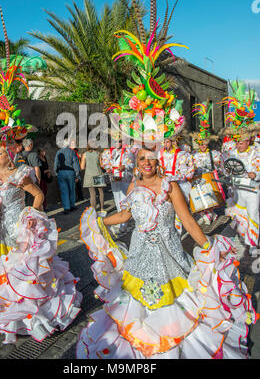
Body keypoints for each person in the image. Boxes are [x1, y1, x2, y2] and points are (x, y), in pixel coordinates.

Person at [0, 10, 82, 343]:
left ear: (10, 153)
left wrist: (32, 218)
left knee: (24, 274)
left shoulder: (20, 173)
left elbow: (39, 194)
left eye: (1, 151)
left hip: (18, 227)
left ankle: (30, 316)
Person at [78, 147, 257, 359]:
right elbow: (125, 216)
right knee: (136, 302)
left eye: (151, 159)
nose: (147, 163)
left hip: (169, 255)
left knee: (175, 303)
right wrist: (99, 221)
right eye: (142, 159)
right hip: (139, 255)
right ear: (136, 162)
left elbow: (188, 220)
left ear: (157, 161)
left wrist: (208, 246)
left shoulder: (169, 186)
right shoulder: (133, 186)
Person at [219, 81, 260, 250]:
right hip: (237, 189)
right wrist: (226, 170)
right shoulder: (232, 152)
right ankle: (242, 236)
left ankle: (252, 243)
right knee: (238, 214)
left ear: (248, 140)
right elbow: (224, 168)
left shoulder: (256, 152)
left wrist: (254, 174)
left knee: (253, 214)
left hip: (252, 190)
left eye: (241, 141)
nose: (239, 144)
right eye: (237, 141)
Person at [158, 137, 195, 234]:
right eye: (163, 142)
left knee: (179, 212)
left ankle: (178, 234)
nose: (164, 145)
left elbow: (188, 174)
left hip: (180, 186)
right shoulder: (160, 154)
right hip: (164, 185)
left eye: (167, 142)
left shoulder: (183, 155)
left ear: (173, 142)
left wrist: (171, 178)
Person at [104, 135, 135, 235]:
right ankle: (121, 221)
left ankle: (123, 223)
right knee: (117, 201)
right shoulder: (109, 152)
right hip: (114, 179)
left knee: (124, 200)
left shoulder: (127, 152)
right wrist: (107, 169)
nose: (117, 143)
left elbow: (132, 164)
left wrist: (125, 167)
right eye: (115, 142)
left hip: (124, 179)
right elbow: (106, 163)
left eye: (119, 141)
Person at [54, 139, 81, 214]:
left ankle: (66, 208)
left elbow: (55, 163)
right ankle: (72, 205)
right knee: (72, 189)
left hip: (61, 172)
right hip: (71, 172)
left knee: (64, 191)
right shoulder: (72, 152)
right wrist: (77, 174)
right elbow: (76, 164)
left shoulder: (58, 152)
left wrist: (56, 172)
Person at [80, 142, 106, 215]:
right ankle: (102, 209)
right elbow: (102, 165)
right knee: (101, 192)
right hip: (98, 174)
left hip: (89, 175)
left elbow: (82, 167)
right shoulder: (99, 153)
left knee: (92, 194)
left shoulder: (85, 154)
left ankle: (94, 211)